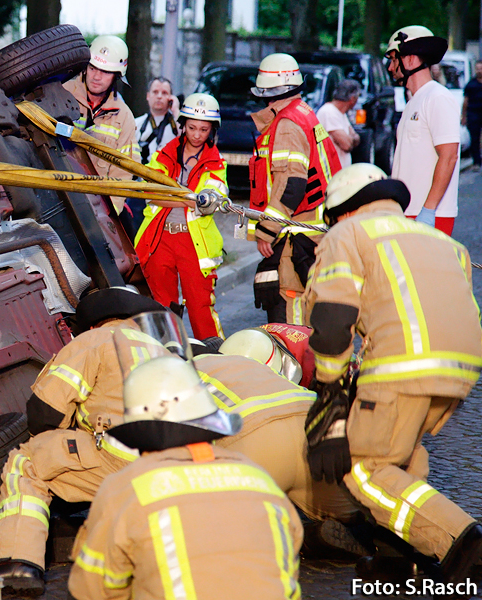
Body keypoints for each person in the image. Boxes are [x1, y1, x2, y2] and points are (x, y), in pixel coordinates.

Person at [298, 163, 482, 583]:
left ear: (342, 211)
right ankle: (400, 555)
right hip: (461, 368)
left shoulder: (347, 234)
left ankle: (462, 540)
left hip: (403, 365)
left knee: (365, 464)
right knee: (399, 457)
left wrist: (330, 390)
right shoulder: (442, 240)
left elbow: (332, 318)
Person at [68, 355, 303, 600]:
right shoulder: (261, 481)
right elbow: (288, 562)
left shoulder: (126, 489)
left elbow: (90, 589)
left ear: (140, 436)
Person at [0, 287, 167, 596]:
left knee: (28, 460)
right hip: (172, 463)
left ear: (93, 323)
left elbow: (45, 414)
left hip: (122, 462)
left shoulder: (94, 341)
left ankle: (16, 561)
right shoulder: (162, 348)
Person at [202, 329, 365, 555]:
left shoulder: (187, 374)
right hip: (308, 418)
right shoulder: (258, 354)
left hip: (256, 437)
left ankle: (289, 534)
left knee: (222, 526)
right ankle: (367, 532)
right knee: (356, 509)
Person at [248, 53, 341, 325]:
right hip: (314, 232)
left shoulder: (287, 124)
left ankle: (297, 366)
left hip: (297, 235)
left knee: (292, 313)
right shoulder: (304, 113)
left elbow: (291, 185)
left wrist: (266, 230)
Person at [133, 93, 227, 339]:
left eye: (204, 129)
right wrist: (189, 197)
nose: (197, 134)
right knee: (161, 307)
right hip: (159, 239)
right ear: (183, 125)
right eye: (192, 127)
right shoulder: (164, 154)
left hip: (194, 244)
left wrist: (173, 194)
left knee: (200, 307)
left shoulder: (217, 163)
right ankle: (167, 356)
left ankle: (214, 361)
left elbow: (209, 203)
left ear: (212, 130)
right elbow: (149, 192)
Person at [386, 25, 459, 236]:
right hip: (409, 212)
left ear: (409, 59)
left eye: (393, 59)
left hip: (428, 214)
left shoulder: (438, 97)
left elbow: (449, 156)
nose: (391, 68)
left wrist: (428, 210)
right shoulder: (414, 102)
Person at [64, 36, 140, 223]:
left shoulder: (124, 118)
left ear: (117, 76)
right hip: (57, 197)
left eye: (105, 72)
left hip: (97, 207)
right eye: (92, 68)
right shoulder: (61, 94)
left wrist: (106, 217)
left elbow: (123, 172)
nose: (96, 77)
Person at [316, 79, 362, 168]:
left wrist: (350, 138)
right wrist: (351, 139)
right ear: (352, 99)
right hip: (329, 174)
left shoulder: (342, 113)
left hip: (339, 173)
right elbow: (346, 145)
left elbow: (356, 137)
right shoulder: (329, 112)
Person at [135, 77, 180, 164]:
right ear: (148, 96)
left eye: (164, 93)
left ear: (171, 98)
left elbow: (189, 137)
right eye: (155, 92)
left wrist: (176, 110)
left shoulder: (177, 125)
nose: (159, 96)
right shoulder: (136, 124)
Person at [461, 60, 482, 171]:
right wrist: (463, 116)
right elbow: (465, 101)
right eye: (477, 68)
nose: (479, 71)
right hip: (474, 113)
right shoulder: (471, 84)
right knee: (474, 138)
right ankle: (477, 162)